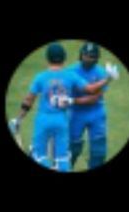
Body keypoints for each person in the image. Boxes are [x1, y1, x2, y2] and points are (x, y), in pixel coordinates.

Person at [10, 43, 95, 171]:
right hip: (62, 121)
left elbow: (28, 100)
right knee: (62, 158)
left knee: (38, 155)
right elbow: (90, 89)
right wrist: (108, 78)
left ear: (47, 58)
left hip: (43, 120)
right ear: (64, 58)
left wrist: (18, 119)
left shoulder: (40, 77)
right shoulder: (70, 75)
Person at [66, 42, 119, 170]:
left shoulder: (101, 73)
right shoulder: (71, 71)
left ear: (96, 58)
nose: (87, 58)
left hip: (96, 113)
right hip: (76, 114)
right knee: (73, 148)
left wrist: (72, 101)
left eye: (91, 56)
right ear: (81, 55)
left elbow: (94, 99)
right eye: (85, 54)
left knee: (98, 150)